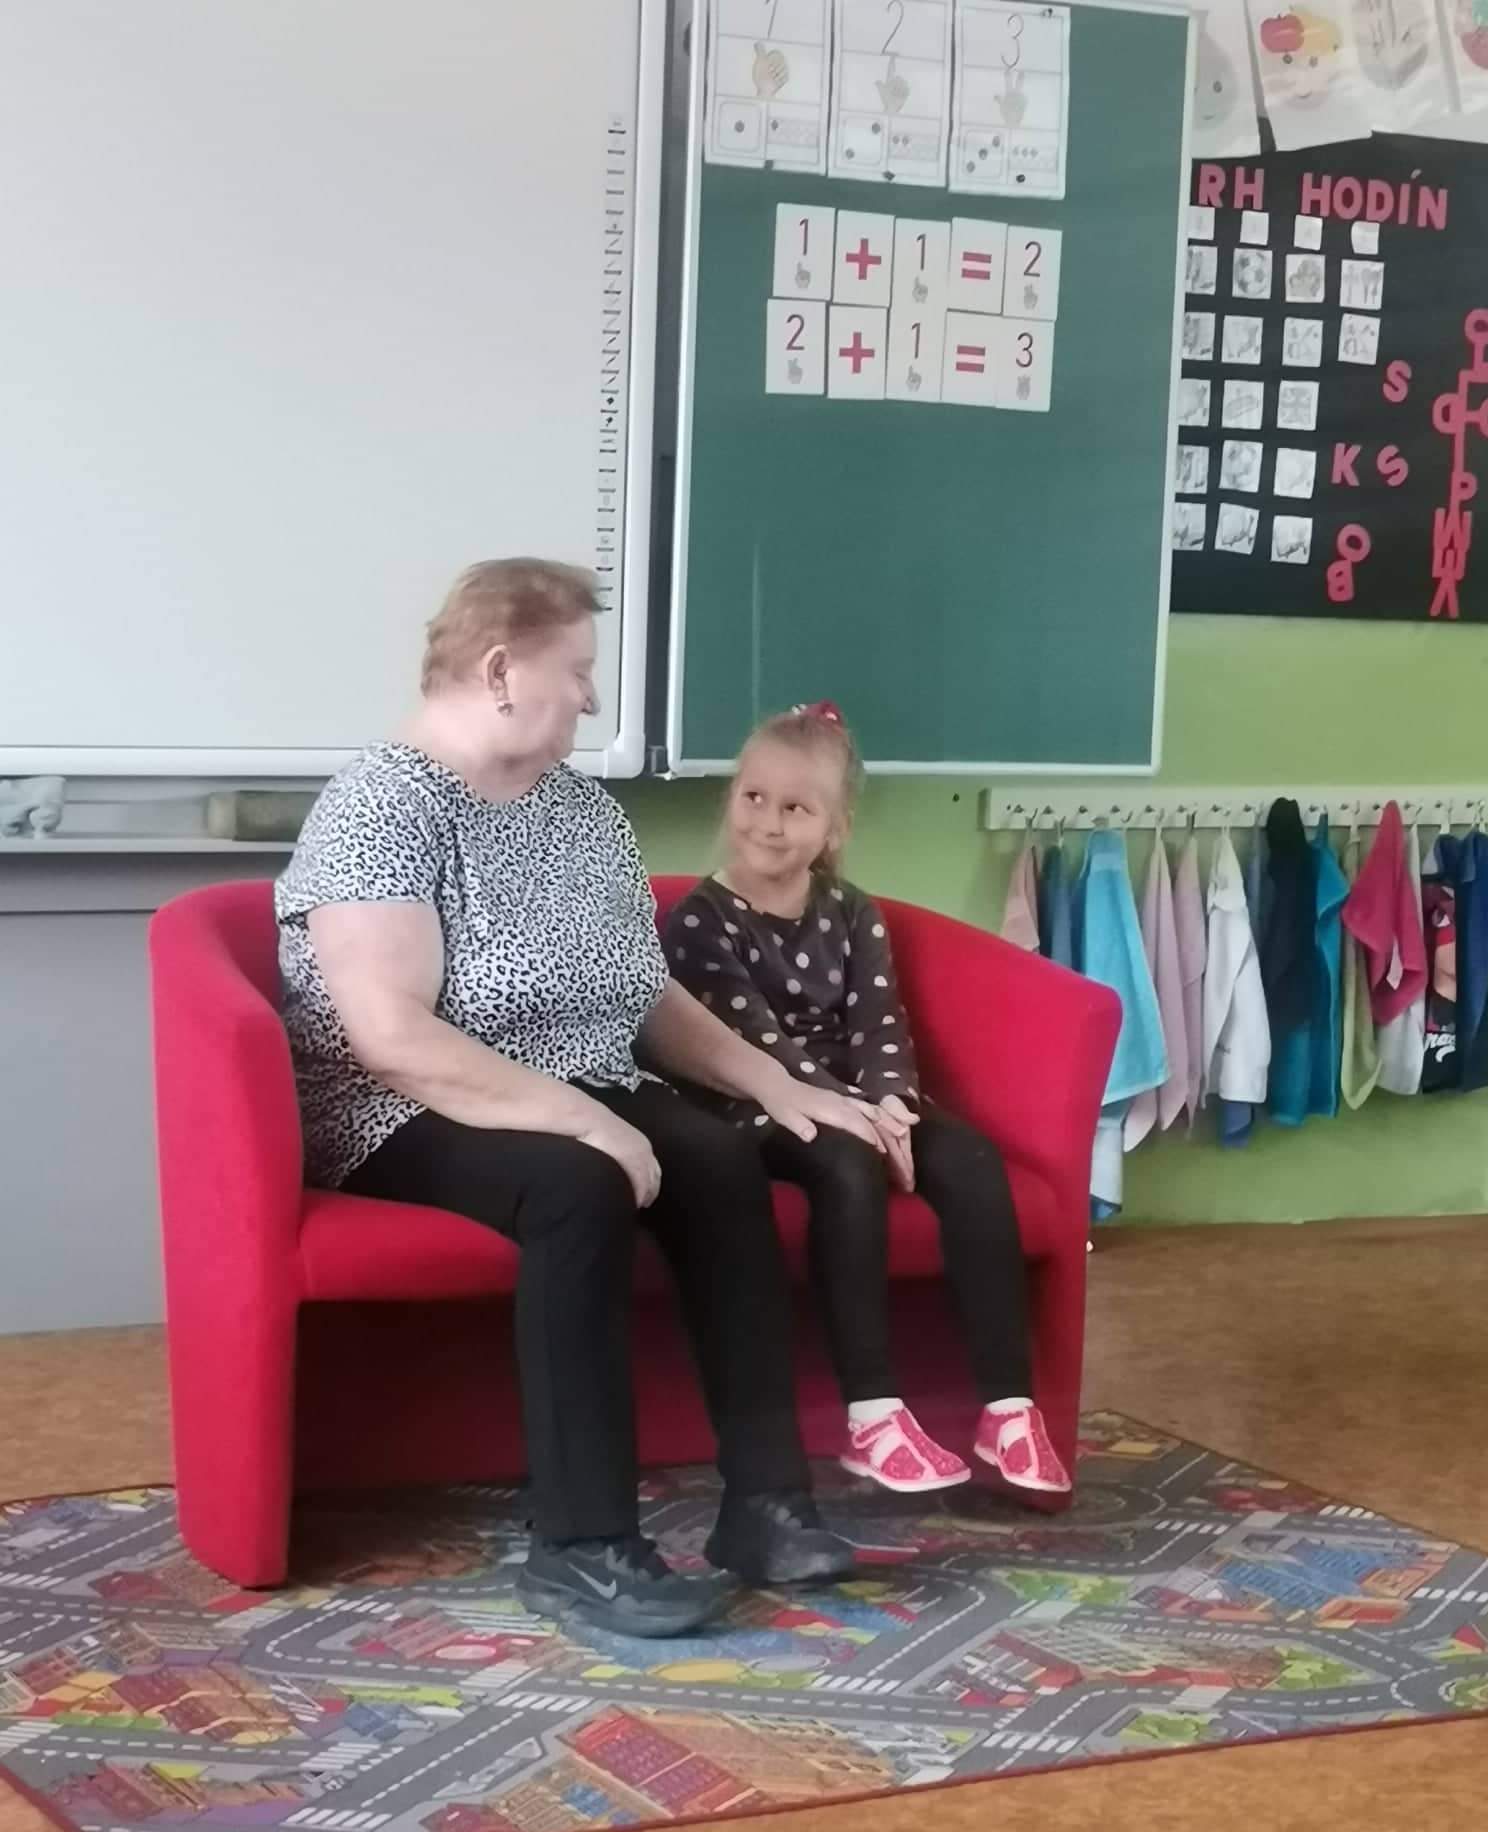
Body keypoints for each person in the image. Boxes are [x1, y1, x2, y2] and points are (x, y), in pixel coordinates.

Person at [275, 562, 888, 1639]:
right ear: (501, 672)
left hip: (578, 1077)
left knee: (720, 1159)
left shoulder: (583, 811)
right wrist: (585, 1121)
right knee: (579, 1185)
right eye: (578, 671)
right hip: (400, 1105)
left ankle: (766, 1504)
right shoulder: (380, 803)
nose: (593, 697)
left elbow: (644, 995)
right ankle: (583, 1547)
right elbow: (390, 1037)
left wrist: (778, 1083)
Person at [663, 702, 1069, 1498]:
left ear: (835, 827)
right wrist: (854, 1118)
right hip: (759, 1101)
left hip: (861, 1099)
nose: (768, 823)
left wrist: (892, 1110)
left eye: (795, 808)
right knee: (847, 1162)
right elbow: (756, 1048)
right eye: (753, 797)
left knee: (970, 1157)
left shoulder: (852, 913)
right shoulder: (700, 922)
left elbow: (880, 1023)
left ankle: (1008, 1406)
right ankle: (872, 1416)